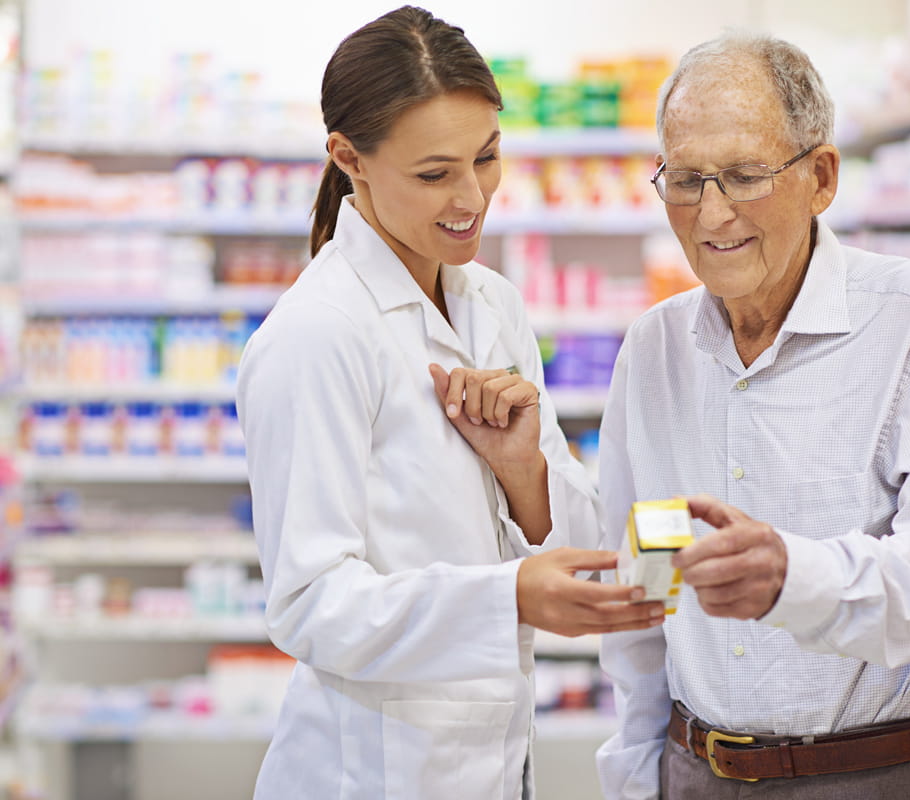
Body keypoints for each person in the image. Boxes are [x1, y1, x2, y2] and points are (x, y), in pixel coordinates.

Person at [235, 8, 663, 800]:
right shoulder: (319, 335)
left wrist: (522, 471)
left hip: (496, 761)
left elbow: (570, 539)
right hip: (367, 772)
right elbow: (310, 604)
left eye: (488, 158)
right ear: (347, 158)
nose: (472, 197)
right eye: (434, 174)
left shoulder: (492, 304)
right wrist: (507, 596)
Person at [595, 31, 910, 800]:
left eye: (745, 176)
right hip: (695, 774)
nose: (710, 213)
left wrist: (796, 577)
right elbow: (646, 583)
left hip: (882, 776)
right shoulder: (655, 350)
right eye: (685, 179)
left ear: (820, 176)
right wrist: (636, 773)